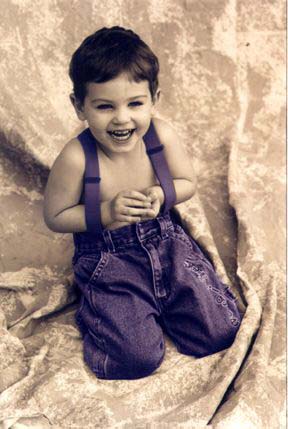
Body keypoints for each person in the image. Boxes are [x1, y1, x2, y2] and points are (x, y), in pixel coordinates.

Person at [43, 26, 242, 380]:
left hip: (167, 244)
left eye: (135, 103)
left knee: (222, 332)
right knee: (136, 359)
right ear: (79, 106)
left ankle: (164, 308)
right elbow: (55, 216)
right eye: (105, 106)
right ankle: (106, 310)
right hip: (109, 259)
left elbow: (187, 183)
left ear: (154, 98)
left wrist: (163, 194)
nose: (122, 118)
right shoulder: (76, 157)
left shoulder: (161, 136)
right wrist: (103, 212)